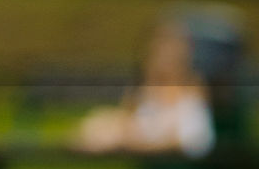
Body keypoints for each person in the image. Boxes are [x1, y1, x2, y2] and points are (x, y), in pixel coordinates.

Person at [74, 21, 215, 157]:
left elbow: (193, 140)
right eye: (158, 53)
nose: (162, 60)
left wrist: (139, 143)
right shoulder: (145, 90)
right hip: (145, 143)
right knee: (99, 121)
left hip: (177, 159)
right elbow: (130, 121)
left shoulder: (192, 91)